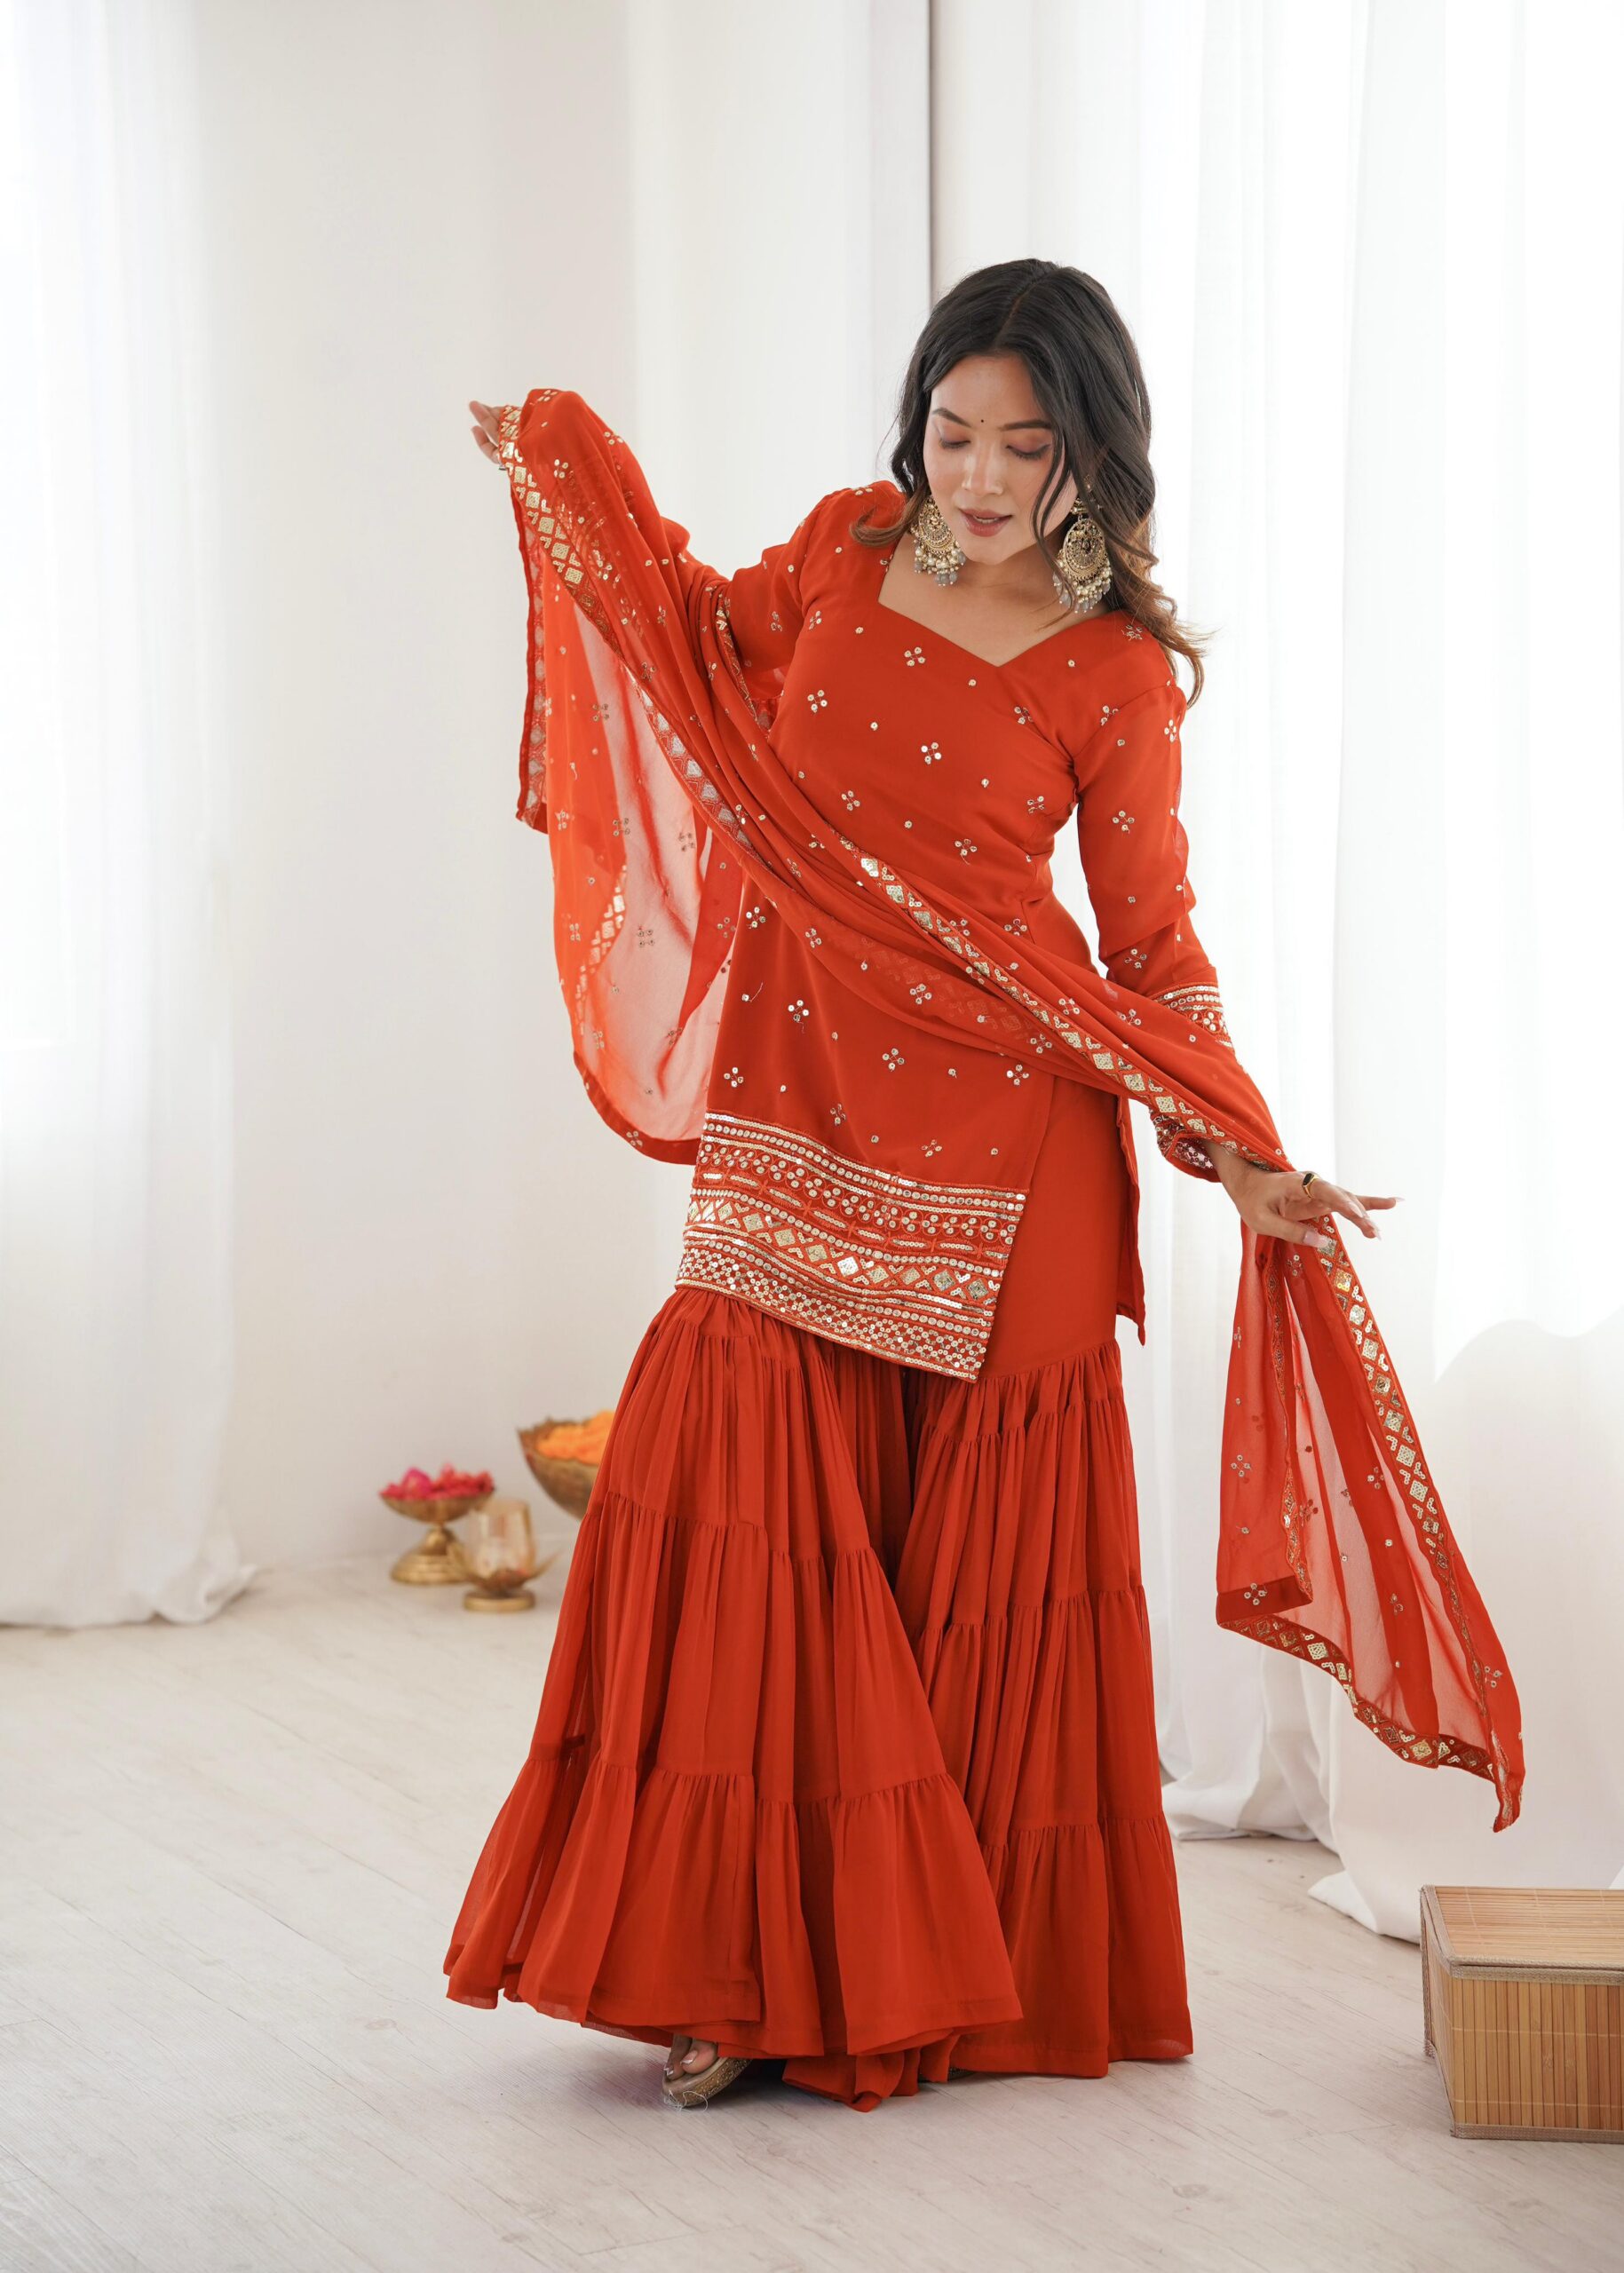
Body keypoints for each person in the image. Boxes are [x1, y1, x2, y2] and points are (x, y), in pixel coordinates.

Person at [442, 260, 1523, 2113]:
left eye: (1028, 445)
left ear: (1094, 451)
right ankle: (731, 1964)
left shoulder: (1116, 671)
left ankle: (923, 1978)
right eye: (954, 432)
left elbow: (1151, 944)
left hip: (1010, 1156)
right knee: (746, 1523)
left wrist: (1242, 1152)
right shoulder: (844, 548)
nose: (983, 476)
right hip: (795, 1102)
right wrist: (566, 480)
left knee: (968, 1577)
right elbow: (692, 641)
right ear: (915, 427)